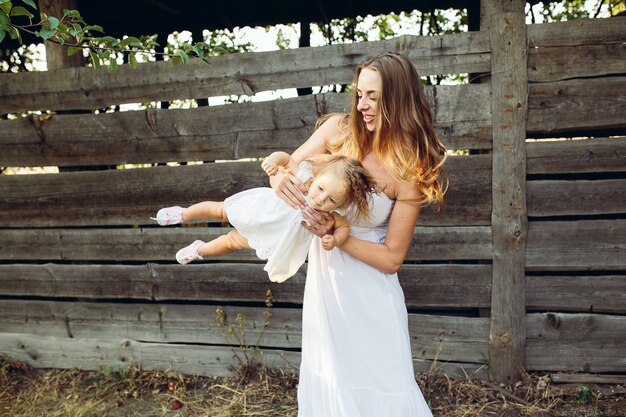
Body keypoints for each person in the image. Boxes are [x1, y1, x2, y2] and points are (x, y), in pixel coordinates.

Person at [271, 52, 447, 416]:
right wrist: (277, 178)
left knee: (382, 391)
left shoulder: (408, 170)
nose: (362, 105)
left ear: (397, 100)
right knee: (330, 386)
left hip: (371, 298)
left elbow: (392, 258)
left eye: (374, 97)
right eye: (359, 94)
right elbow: (288, 168)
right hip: (327, 294)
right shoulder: (337, 132)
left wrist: (341, 236)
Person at [152, 152, 376, 283]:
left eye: (332, 200)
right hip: (260, 211)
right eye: (321, 189)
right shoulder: (305, 178)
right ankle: (183, 213)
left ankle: (199, 249)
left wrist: (335, 240)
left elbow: (343, 227)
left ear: (341, 204)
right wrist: (272, 160)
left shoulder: (330, 215)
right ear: (317, 177)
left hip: (272, 236)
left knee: (231, 242)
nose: (321, 199)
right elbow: (286, 160)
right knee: (220, 210)